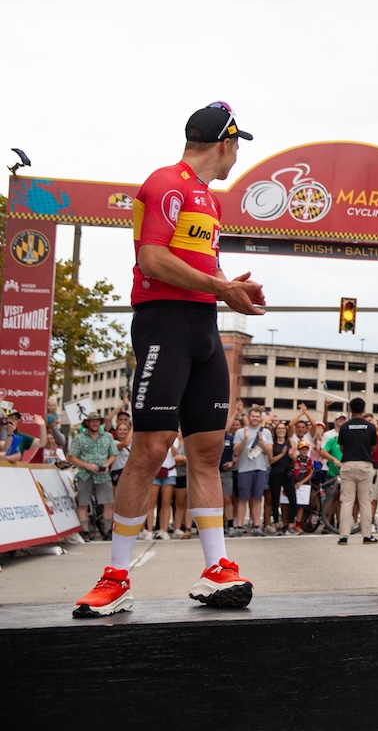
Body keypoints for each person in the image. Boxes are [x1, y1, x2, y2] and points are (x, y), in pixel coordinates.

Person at [74, 102, 262, 618]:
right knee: (150, 448)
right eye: (237, 145)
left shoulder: (209, 200)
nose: (237, 154)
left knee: (207, 452)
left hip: (204, 329)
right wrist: (221, 288)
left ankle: (217, 568)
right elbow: (152, 259)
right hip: (164, 324)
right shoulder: (165, 183)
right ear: (226, 143)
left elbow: (204, 267)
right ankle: (115, 577)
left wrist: (230, 290)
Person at [68, 412, 118, 541]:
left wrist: (107, 464)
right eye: (93, 421)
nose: (95, 423)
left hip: (103, 474)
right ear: (87, 423)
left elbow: (114, 454)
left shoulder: (107, 436)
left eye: (97, 421)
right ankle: (85, 531)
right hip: (85, 474)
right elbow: (71, 457)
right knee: (83, 503)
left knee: (108, 503)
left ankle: (107, 531)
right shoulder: (79, 438)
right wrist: (86, 465)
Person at [336, 398, 378, 545]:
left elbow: (342, 447)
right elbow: (374, 448)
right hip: (364, 464)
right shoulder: (370, 427)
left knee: (347, 501)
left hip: (348, 464)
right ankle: (367, 535)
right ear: (363, 409)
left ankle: (343, 535)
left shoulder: (345, 427)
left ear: (351, 409)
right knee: (365, 501)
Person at [232, 407, 271, 536]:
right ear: (249, 417)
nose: (255, 418)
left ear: (260, 418)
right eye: (253, 416)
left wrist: (261, 441)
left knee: (257, 499)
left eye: (257, 416)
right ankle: (239, 525)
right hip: (244, 469)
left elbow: (270, 452)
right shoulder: (240, 432)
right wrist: (245, 439)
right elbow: (236, 451)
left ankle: (256, 525)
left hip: (260, 468)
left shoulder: (265, 432)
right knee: (242, 498)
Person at [267, 421, 297, 536]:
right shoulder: (272, 444)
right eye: (279, 429)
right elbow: (270, 461)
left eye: (283, 429)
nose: (281, 431)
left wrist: (291, 455)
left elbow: (295, 458)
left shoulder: (291, 442)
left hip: (287, 473)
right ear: (275, 431)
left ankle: (290, 525)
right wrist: (281, 454)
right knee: (275, 500)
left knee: (293, 500)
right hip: (275, 473)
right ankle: (277, 525)